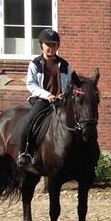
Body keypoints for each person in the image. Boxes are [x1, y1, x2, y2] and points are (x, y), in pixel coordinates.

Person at [17, 27, 71, 169]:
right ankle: (24, 153)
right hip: (43, 101)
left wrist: (64, 93)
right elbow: (31, 84)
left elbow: (69, 83)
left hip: (61, 101)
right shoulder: (35, 63)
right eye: (48, 45)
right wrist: (48, 95)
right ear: (41, 45)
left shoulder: (64, 64)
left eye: (54, 45)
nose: (51, 48)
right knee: (29, 122)